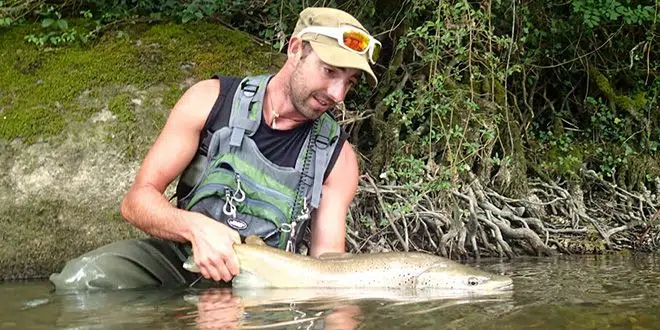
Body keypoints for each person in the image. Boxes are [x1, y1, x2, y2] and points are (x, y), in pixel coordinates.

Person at [49, 7, 380, 291]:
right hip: (181, 263)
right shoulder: (210, 100)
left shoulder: (339, 159)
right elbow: (136, 201)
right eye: (329, 71)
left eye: (349, 81)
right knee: (81, 281)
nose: (338, 94)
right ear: (295, 49)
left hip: (267, 287)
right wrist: (195, 228)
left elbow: (327, 272)